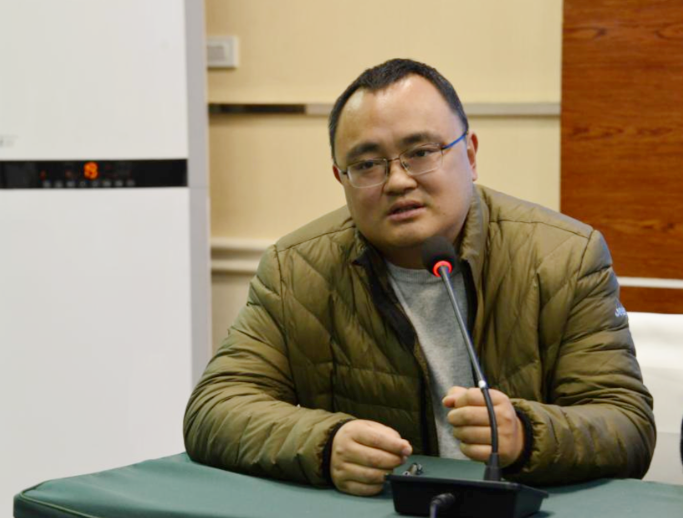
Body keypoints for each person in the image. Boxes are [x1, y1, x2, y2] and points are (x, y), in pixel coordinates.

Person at [184, 59, 655, 496]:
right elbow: (215, 407)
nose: (398, 181)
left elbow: (627, 425)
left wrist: (526, 436)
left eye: (421, 152)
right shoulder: (295, 270)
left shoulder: (564, 257)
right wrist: (325, 444)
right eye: (367, 164)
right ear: (341, 178)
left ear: (470, 155)